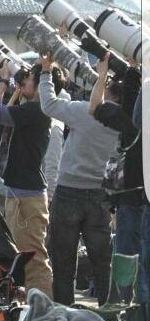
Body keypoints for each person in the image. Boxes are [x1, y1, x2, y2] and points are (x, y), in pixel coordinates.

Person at [39, 53, 119, 307]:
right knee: (102, 263)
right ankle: (108, 314)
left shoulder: (83, 112)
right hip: (100, 196)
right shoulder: (126, 124)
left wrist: (45, 71)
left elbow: (49, 105)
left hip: (68, 192)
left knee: (63, 261)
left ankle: (64, 314)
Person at [0, 63, 56, 298]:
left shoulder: (36, 111)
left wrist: (4, 83)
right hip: (22, 193)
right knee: (24, 255)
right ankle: (30, 307)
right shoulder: (33, 110)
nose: (24, 81)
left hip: (27, 197)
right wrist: (17, 88)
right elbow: (7, 113)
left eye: (29, 79)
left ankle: (42, 310)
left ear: (41, 84)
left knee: (34, 256)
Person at [90, 55, 145, 305]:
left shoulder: (127, 124)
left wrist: (105, 75)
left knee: (126, 257)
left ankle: (126, 308)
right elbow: (133, 97)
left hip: (130, 200)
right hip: (139, 198)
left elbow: (95, 107)